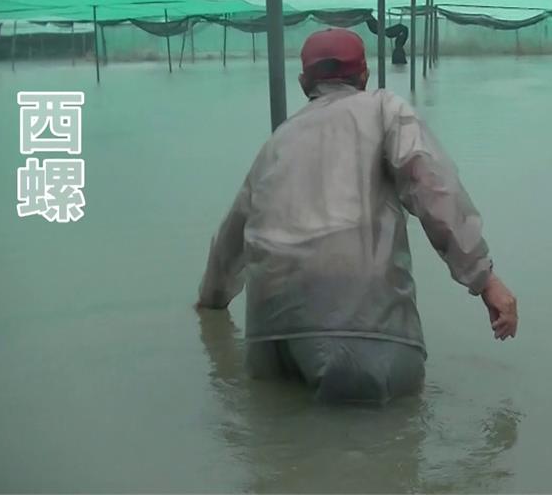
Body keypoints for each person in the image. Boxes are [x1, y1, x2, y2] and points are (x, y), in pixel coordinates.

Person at [195, 28, 518, 405]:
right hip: (361, 335)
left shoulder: (277, 141)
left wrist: (210, 302)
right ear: (364, 75)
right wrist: (485, 278)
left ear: (304, 83)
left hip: (268, 341)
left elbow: (232, 236)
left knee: (280, 445)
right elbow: (435, 190)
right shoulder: (385, 110)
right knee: (380, 446)